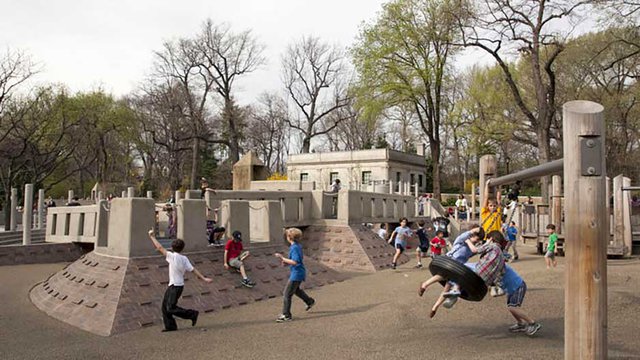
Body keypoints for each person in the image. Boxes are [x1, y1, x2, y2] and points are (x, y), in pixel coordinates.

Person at [147, 229, 212, 332]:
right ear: (182, 248)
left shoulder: (171, 256)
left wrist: (152, 236)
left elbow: (159, 247)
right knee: (165, 307)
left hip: (175, 286)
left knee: (170, 307)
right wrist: (203, 278)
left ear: (172, 247)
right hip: (175, 285)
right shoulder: (184, 258)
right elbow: (193, 269)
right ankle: (170, 326)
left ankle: (192, 314)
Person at [418, 225, 484, 301]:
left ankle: (441, 299)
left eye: (479, 240)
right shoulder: (461, 240)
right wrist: (475, 230)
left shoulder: (471, 248)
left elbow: (477, 250)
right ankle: (425, 285)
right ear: (472, 235)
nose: (477, 241)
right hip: (449, 261)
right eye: (477, 239)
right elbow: (466, 235)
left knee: (446, 279)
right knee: (444, 276)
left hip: (457, 267)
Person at [274, 227, 315, 322]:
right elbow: (294, 260)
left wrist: (282, 258)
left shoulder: (295, 247)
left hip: (297, 273)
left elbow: (295, 262)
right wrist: (286, 262)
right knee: (296, 290)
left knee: (287, 294)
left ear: (289, 237)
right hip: (298, 272)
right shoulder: (296, 246)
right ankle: (309, 301)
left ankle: (286, 315)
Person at [500, 264, 542, 336]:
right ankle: (521, 324)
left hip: (518, 286)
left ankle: (533, 323)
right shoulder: (495, 269)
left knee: (512, 308)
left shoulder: (500, 265)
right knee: (510, 307)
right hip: (511, 289)